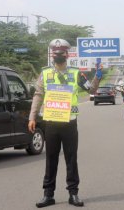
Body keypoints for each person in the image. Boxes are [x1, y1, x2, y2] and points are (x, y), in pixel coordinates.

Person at [28, 39, 102, 208]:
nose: (58, 56)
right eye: (55, 53)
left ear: (67, 55)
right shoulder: (45, 73)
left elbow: (91, 90)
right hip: (51, 123)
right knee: (50, 159)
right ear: (51, 55)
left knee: (71, 159)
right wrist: (32, 117)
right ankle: (48, 195)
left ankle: (73, 194)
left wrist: (97, 77)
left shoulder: (76, 74)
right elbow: (38, 95)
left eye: (61, 53)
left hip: (69, 123)